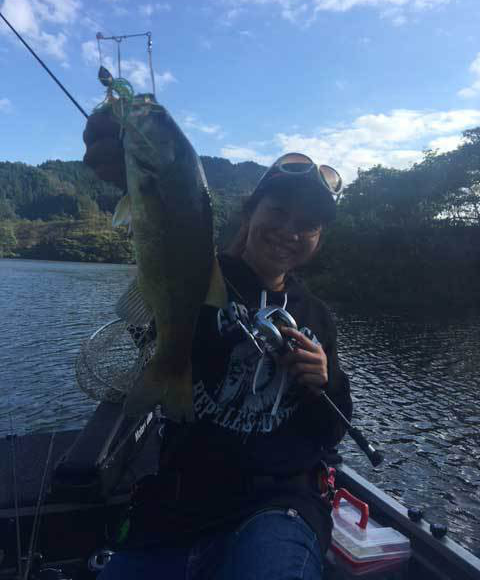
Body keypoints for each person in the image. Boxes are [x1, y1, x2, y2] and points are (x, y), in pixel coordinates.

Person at [84, 116, 352, 579]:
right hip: (180, 502)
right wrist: (130, 174)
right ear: (250, 213)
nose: (289, 230)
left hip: (279, 503)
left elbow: (331, 431)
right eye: (278, 212)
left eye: (307, 224)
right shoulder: (198, 272)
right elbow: (148, 324)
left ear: (319, 238)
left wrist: (324, 381)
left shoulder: (317, 316)